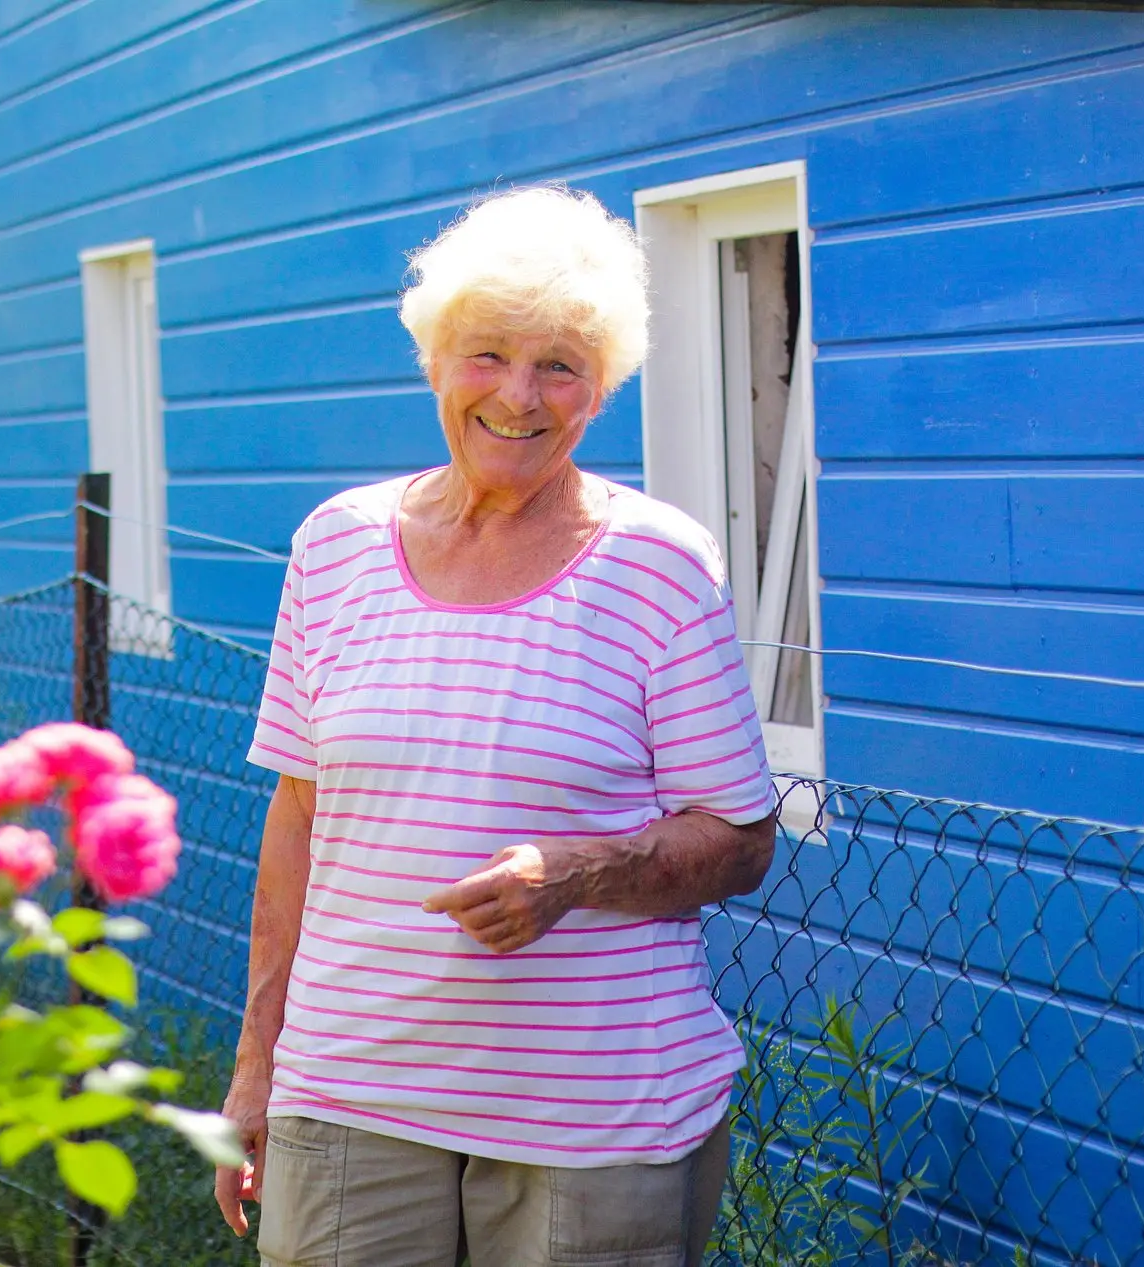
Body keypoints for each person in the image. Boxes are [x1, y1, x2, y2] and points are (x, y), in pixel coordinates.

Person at [217, 185, 778, 1267]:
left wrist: (575, 872)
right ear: (435, 361)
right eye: (487, 354)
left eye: (559, 365)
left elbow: (741, 841)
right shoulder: (333, 546)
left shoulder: (659, 566)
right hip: (350, 1091)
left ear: (599, 389)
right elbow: (297, 823)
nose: (519, 395)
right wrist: (258, 1067)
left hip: (590, 1117)